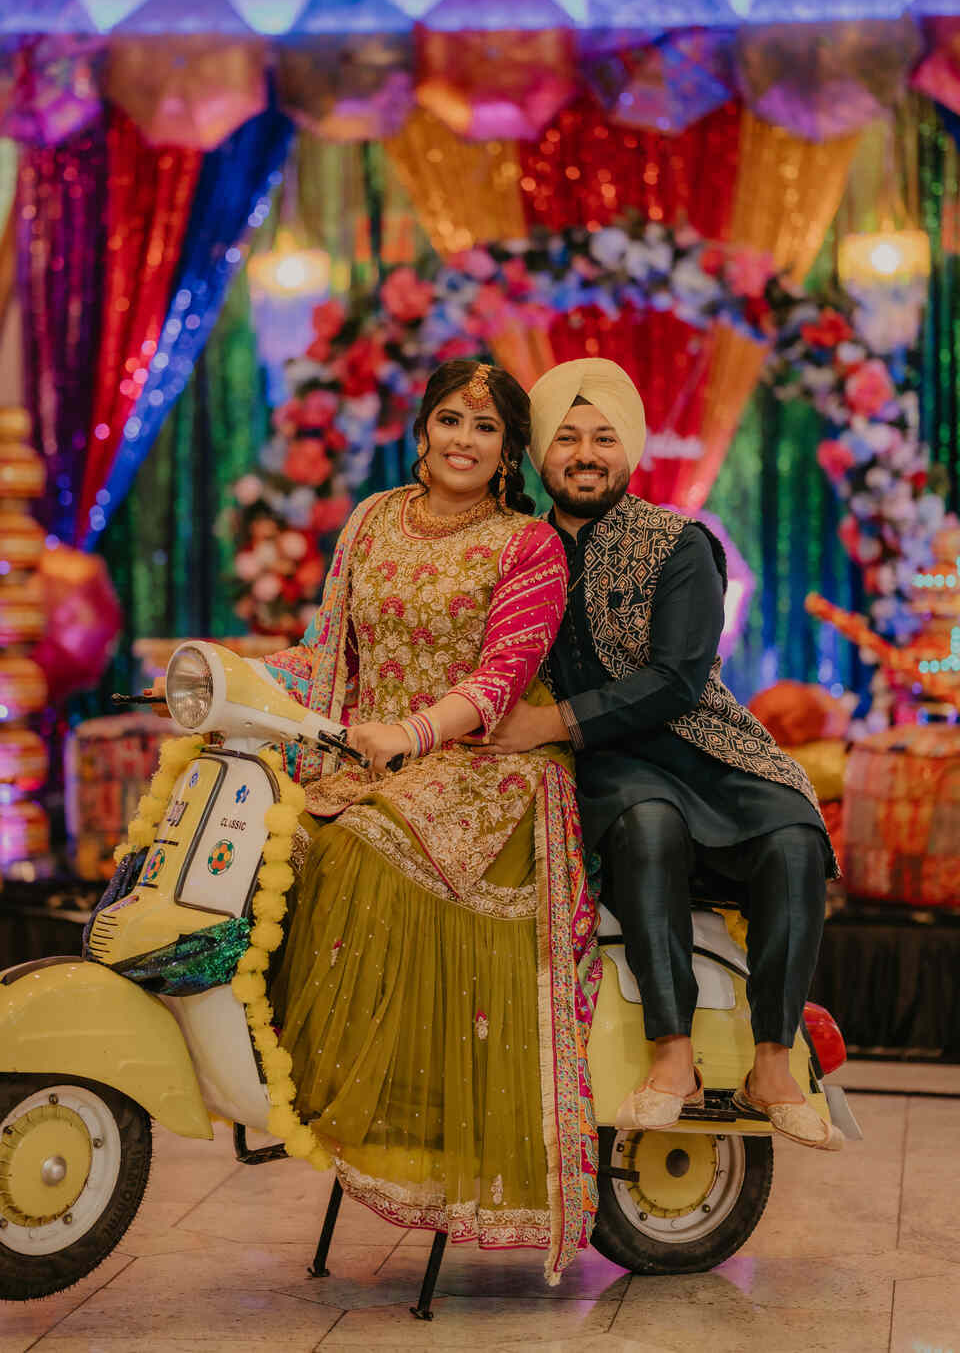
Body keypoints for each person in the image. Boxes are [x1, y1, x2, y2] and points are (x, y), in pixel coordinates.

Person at [264, 360, 599, 1285]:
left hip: (487, 768)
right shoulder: (372, 518)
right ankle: (279, 1080)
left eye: (486, 428)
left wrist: (410, 734)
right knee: (274, 840)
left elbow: (501, 679)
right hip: (366, 756)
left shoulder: (527, 545)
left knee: (358, 851)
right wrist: (227, 674)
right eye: (450, 419)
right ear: (422, 430)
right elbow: (326, 651)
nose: (463, 439)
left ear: (508, 451)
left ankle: (371, 1106)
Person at [488, 358, 843, 1152]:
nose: (586, 454)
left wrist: (549, 722)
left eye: (604, 438)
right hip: (609, 765)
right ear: (540, 452)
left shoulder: (678, 543)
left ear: (630, 449)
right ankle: (672, 1057)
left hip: (705, 745)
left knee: (794, 831)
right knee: (648, 824)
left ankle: (774, 1065)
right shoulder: (515, 548)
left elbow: (678, 679)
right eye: (567, 438)